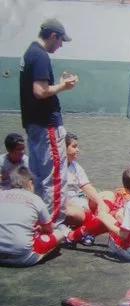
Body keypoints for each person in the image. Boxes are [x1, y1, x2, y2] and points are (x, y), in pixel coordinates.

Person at [20, 19, 77, 225]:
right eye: (61, 40)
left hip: (34, 123)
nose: (60, 45)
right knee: (54, 178)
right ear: (53, 36)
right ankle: (52, 225)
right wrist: (63, 86)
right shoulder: (41, 55)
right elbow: (40, 91)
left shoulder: (29, 52)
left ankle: (38, 219)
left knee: (38, 176)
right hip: (47, 125)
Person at [68, 166, 130, 262]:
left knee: (107, 216)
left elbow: (123, 235)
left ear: (126, 189)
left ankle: (74, 236)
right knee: (117, 216)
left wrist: (104, 219)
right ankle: (79, 234)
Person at [0, 166, 66, 266]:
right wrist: (40, 228)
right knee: (59, 233)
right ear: (30, 182)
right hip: (22, 258)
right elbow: (49, 229)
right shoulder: (35, 199)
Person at [64, 133, 107, 235]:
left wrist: (100, 203)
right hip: (67, 205)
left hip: (80, 200)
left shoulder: (75, 165)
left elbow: (86, 186)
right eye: (74, 147)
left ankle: (92, 221)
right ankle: (94, 222)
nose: (78, 150)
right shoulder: (54, 168)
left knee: (108, 194)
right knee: (72, 213)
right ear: (63, 149)